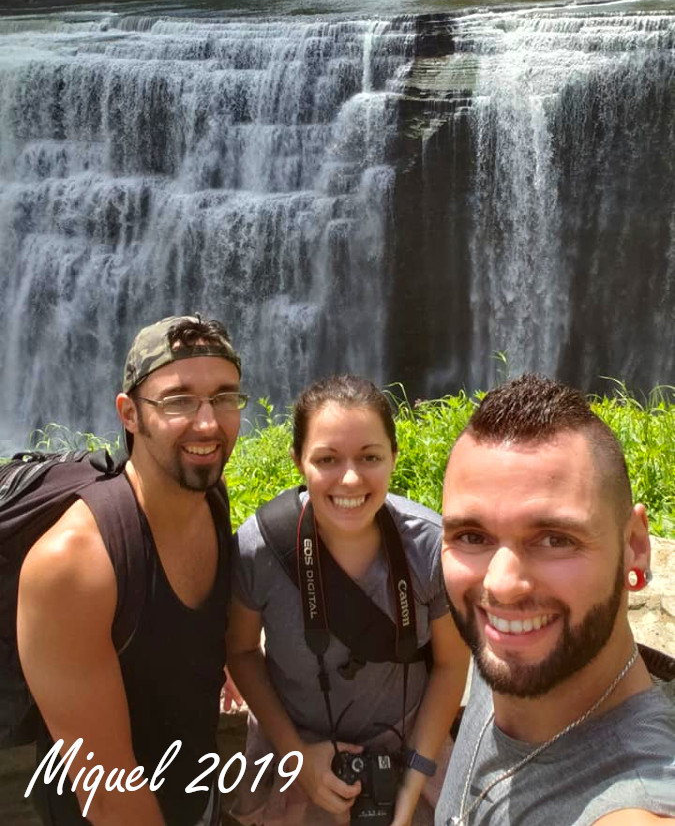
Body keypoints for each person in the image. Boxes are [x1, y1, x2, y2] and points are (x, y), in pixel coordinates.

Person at [17, 314, 247, 826]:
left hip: (197, 797)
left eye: (224, 397)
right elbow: (108, 797)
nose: (208, 423)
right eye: (178, 400)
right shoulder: (75, 565)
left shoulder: (208, 494)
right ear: (130, 414)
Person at [226, 374, 470, 826]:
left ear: (395, 456)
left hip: (410, 752)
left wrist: (415, 779)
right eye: (327, 459)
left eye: (370, 457)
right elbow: (240, 651)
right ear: (298, 460)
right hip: (293, 750)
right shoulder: (259, 550)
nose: (351, 478)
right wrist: (297, 757)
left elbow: (454, 664)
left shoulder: (428, 548)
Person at [436, 373, 675, 826]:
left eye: (554, 539)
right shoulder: (514, 652)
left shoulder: (638, 801)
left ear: (636, 545)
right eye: (472, 536)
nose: (502, 585)